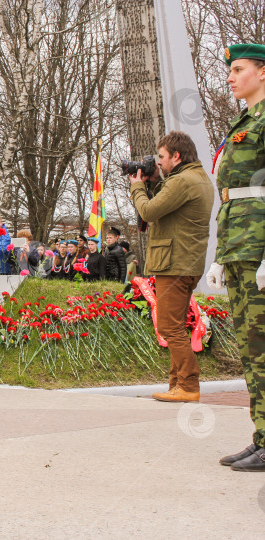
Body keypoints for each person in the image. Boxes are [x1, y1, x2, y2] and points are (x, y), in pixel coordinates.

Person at [207, 44, 265, 471]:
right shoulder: (243, 122)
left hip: (258, 247)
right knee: (251, 348)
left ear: (262, 72)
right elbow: (232, 196)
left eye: (239, 69)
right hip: (239, 248)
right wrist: (220, 256)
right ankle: (261, 436)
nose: (231, 77)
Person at [129, 130, 213, 403]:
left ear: (176, 156)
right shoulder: (193, 178)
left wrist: (137, 186)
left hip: (175, 263)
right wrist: (154, 183)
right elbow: (167, 209)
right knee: (175, 325)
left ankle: (188, 386)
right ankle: (177, 383)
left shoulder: (183, 181)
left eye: (162, 157)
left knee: (169, 327)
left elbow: (149, 211)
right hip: (185, 261)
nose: (159, 163)